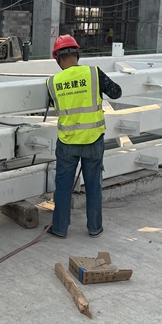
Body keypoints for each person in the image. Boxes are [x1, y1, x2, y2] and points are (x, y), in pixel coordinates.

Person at [45, 35, 122, 238]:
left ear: (57, 58)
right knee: (93, 185)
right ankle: (95, 227)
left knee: (63, 187)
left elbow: (54, 104)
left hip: (67, 142)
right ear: (77, 54)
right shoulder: (94, 73)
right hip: (93, 140)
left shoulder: (52, 82)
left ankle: (60, 228)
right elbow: (116, 92)